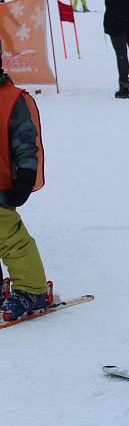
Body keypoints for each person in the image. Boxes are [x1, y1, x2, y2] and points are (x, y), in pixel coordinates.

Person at [0, 37, 49, 321]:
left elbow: (25, 143)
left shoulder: (11, 100)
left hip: (4, 184)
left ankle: (33, 289)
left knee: (11, 239)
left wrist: (25, 176)